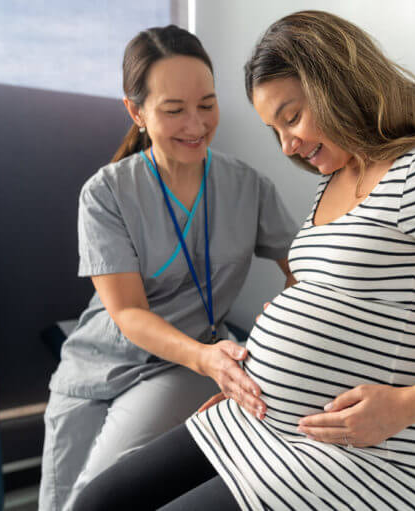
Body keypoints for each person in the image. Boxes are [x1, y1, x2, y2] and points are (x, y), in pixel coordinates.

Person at [72, 11, 415, 511]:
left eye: (291, 117)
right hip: (266, 420)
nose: (287, 144)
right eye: (275, 129)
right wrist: (266, 371)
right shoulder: (329, 186)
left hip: (378, 455)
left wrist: (408, 406)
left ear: (337, 83)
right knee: (99, 499)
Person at [38, 25, 298, 510]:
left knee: (91, 502)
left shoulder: (248, 187)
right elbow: (128, 312)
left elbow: (304, 265)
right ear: (136, 112)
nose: (197, 125)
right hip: (91, 367)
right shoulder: (106, 193)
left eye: (207, 104)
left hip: (181, 364)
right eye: (174, 110)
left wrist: (278, 321)